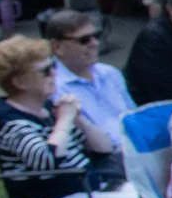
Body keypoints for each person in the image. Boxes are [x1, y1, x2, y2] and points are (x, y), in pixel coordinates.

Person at [0, 36, 145, 198]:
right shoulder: (11, 122)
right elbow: (46, 160)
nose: (54, 73)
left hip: (86, 192)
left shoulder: (48, 110)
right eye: (44, 71)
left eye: (52, 66)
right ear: (20, 82)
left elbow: (104, 147)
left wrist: (78, 119)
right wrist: (64, 121)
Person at [46, 10, 135, 169]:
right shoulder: (54, 89)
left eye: (97, 36)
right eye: (84, 40)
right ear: (57, 47)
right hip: (104, 164)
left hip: (136, 153)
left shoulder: (110, 73)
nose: (95, 44)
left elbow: (134, 117)